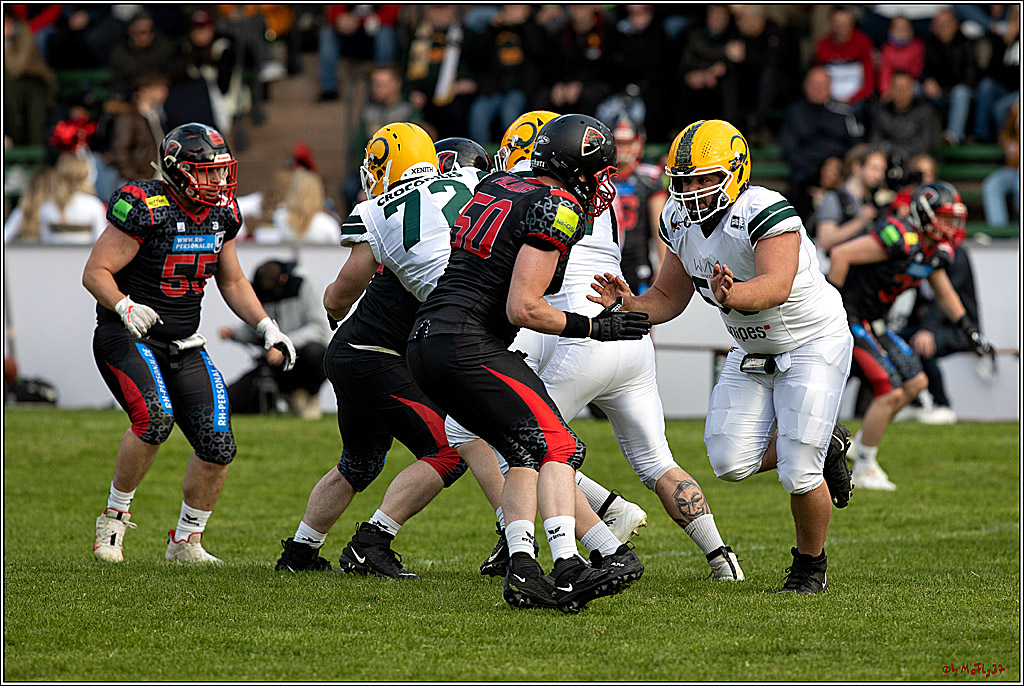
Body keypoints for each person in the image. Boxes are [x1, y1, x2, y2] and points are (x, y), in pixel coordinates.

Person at [447, 112, 745, 584]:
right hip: (629, 334)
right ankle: (722, 557)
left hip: (581, 334)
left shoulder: (534, 193)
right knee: (657, 463)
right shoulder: (599, 196)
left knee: (526, 446)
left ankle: (581, 537)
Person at [590, 119, 856, 594]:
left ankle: (809, 565)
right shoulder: (675, 217)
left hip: (812, 340)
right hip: (752, 345)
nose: (690, 190)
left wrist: (734, 295)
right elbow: (668, 299)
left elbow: (776, 285)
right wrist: (628, 304)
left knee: (799, 469)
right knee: (729, 461)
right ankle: (824, 441)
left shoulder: (765, 209)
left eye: (703, 178)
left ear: (734, 172)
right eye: (684, 179)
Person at [407, 114, 652, 613]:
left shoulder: (498, 182)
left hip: (426, 340)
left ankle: (522, 567)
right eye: (599, 172)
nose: (603, 184)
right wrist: (595, 327)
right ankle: (569, 564)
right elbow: (525, 307)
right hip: (470, 343)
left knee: (521, 450)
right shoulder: (557, 206)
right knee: (560, 444)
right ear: (575, 169)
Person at [84, 123, 297, 564]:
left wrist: (266, 326)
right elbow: (96, 272)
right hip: (130, 334)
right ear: (179, 172)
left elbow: (233, 279)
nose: (220, 182)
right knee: (154, 419)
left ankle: (186, 541)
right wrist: (124, 306)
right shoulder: (145, 205)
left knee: (218, 442)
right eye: (208, 172)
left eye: (222, 172)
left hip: (183, 341)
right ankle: (114, 521)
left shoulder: (221, 213)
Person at [274, 123, 480, 577]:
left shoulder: (395, 218)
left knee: (359, 463)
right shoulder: (466, 213)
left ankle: (300, 553)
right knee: (449, 450)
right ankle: (372, 541)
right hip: (374, 356)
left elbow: (336, 298)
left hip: (354, 352)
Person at [827, 181, 994, 490]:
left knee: (917, 382)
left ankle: (858, 446)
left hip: (874, 320)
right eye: (946, 217)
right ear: (925, 213)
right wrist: (829, 311)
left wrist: (969, 330)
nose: (952, 226)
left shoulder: (932, 249)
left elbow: (945, 294)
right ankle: (864, 466)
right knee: (888, 389)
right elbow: (840, 254)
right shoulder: (899, 236)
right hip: (848, 317)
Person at [219, 260, 331, 419]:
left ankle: (306, 395)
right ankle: (282, 396)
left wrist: (284, 344)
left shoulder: (306, 284)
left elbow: (318, 329)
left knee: (316, 353)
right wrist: (234, 334)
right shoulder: (260, 289)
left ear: (283, 280)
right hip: (273, 364)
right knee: (229, 401)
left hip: (302, 357)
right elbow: (256, 331)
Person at [610, 116, 668, 294]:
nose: (623, 149)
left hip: (637, 260)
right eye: (619, 142)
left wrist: (662, 265)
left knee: (640, 318)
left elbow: (658, 225)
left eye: (627, 143)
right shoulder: (597, 177)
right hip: (603, 259)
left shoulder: (648, 177)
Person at [4, 153, 106, 244]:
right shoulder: (93, 205)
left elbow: (46, 243)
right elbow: (100, 241)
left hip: (53, 261)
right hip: (85, 261)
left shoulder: (47, 206)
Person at [814, 145, 888, 256]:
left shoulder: (872, 200)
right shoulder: (834, 197)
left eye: (882, 170)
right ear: (857, 167)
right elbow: (825, 240)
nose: (879, 175)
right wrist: (861, 221)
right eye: (874, 168)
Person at [920, 9, 979, 145]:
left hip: (958, 93)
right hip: (935, 93)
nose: (943, 28)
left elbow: (970, 78)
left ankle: (953, 136)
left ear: (956, 25)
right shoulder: (929, 44)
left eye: (947, 23)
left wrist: (945, 90)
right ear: (933, 27)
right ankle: (917, 134)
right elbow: (922, 72)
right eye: (939, 24)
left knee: (960, 92)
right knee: (914, 89)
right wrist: (927, 81)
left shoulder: (966, 44)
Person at [867, 71, 939, 161]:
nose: (901, 93)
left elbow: (926, 143)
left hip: (915, 158)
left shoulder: (924, 111)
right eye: (897, 88)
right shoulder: (881, 112)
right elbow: (875, 141)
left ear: (913, 89)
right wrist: (892, 151)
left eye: (905, 88)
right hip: (886, 158)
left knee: (925, 163)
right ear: (890, 89)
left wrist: (900, 151)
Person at [814, 6, 877, 110]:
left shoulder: (863, 42)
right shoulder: (822, 45)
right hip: (828, 98)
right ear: (831, 24)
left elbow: (869, 81)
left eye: (845, 23)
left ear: (851, 24)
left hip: (857, 100)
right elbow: (819, 76)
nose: (841, 27)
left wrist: (852, 99)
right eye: (837, 23)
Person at [981, 99, 1019, 227]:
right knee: (992, 185)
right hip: (1013, 167)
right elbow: (1005, 132)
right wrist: (1008, 143)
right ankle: (999, 232)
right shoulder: (1017, 107)